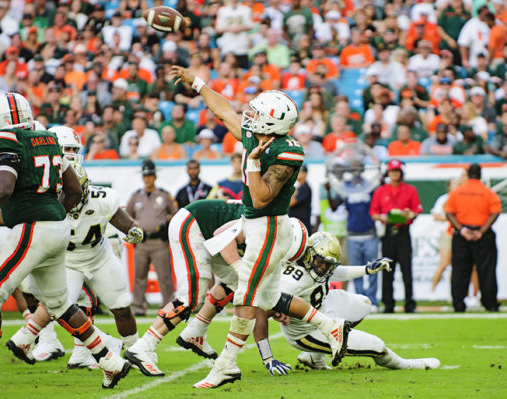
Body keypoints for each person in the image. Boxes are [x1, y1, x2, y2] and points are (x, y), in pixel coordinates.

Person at [169, 65, 351, 388]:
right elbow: (225, 112)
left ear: (272, 121)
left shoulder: (287, 151)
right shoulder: (260, 133)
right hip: (254, 224)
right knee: (267, 298)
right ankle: (330, 326)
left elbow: (263, 197)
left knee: (245, 298)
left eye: (256, 112)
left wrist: (252, 162)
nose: (248, 116)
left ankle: (225, 365)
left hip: (268, 226)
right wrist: (196, 84)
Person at [0, 92, 130, 388]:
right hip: (57, 228)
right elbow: (75, 191)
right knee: (59, 304)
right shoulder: (48, 140)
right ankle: (110, 359)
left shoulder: (6, 142)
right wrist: (54, 213)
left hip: (33, 228)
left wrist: (40, 215)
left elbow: (3, 188)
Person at [189, 231, 440, 372]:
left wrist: (366, 269)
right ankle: (405, 364)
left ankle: (313, 358)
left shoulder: (312, 261)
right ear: (310, 254)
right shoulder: (290, 281)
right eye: (320, 262)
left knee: (364, 302)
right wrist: (267, 357)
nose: (323, 268)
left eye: (326, 264)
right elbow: (260, 313)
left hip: (323, 306)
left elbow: (334, 272)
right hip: (306, 331)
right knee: (375, 345)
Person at [12, 158, 144, 369]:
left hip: (99, 257)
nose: (67, 195)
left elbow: (127, 223)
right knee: (57, 303)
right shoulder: (50, 205)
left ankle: (136, 350)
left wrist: (133, 231)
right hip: (67, 261)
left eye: (72, 190)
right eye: (63, 190)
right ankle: (27, 337)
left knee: (120, 305)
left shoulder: (101, 198)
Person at [124, 199, 245, 376]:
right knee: (192, 296)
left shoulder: (266, 222)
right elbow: (225, 237)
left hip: (209, 232)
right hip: (194, 225)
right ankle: (144, 347)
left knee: (237, 280)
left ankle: (196, 331)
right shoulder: (258, 223)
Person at [445, 163, 501, 312]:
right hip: (482, 234)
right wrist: (481, 231)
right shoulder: (487, 192)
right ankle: (490, 304)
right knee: (486, 270)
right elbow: (496, 211)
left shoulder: (457, 192)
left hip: (462, 234)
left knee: (460, 271)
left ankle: (458, 304)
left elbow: (449, 213)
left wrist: (462, 230)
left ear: (468, 174)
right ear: (480, 174)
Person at [326, 161, 380, 312]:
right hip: (352, 235)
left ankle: (373, 300)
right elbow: (334, 207)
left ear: (362, 168)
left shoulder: (370, 186)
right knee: (357, 271)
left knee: (373, 270)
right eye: (353, 166)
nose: (356, 169)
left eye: (358, 166)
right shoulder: (346, 187)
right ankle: (362, 301)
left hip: (370, 234)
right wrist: (329, 191)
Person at [126, 160, 177, 316]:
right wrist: (132, 233)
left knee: (164, 275)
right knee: (139, 275)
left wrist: (166, 227)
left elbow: (175, 213)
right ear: (143, 178)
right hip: (142, 242)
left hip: (159, 241)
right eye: (145, 176)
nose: (148, 179)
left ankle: (168, 306)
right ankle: (139, 307)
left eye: (150, 175)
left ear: (155, 176)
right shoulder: (135, 197)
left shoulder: (164, 195)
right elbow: (127, 216)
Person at [370, 160, 422, 313]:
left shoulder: (410, 190)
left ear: (401, 173)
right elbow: (373, 213)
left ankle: (410, 303)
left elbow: (416, 210)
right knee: (387, 269)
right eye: (392, 171)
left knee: (407, 270)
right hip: (388, 232)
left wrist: (409, 214)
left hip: (403, 231)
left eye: (397, 171)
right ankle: (388, 303)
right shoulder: (381, 191)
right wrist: (383, 217)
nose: (394, 174)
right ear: (388, 173)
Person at [289, 165, 312, 233]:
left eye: (300, 172)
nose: (297, 174)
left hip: (302, 226)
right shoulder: (299, 188)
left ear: (305, 174)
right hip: (296, 225)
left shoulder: (305, 188)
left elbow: (290, 203)